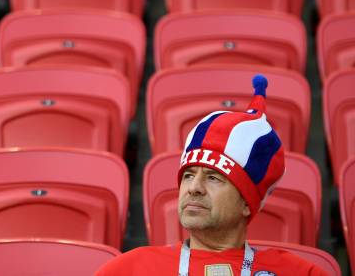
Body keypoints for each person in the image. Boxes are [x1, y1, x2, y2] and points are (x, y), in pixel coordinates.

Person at [96, 75, 331, 276]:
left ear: (247, 204)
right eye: (188, 175)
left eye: (213, 177)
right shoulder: (128, 269)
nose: (194, 188)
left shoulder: (300, 273)